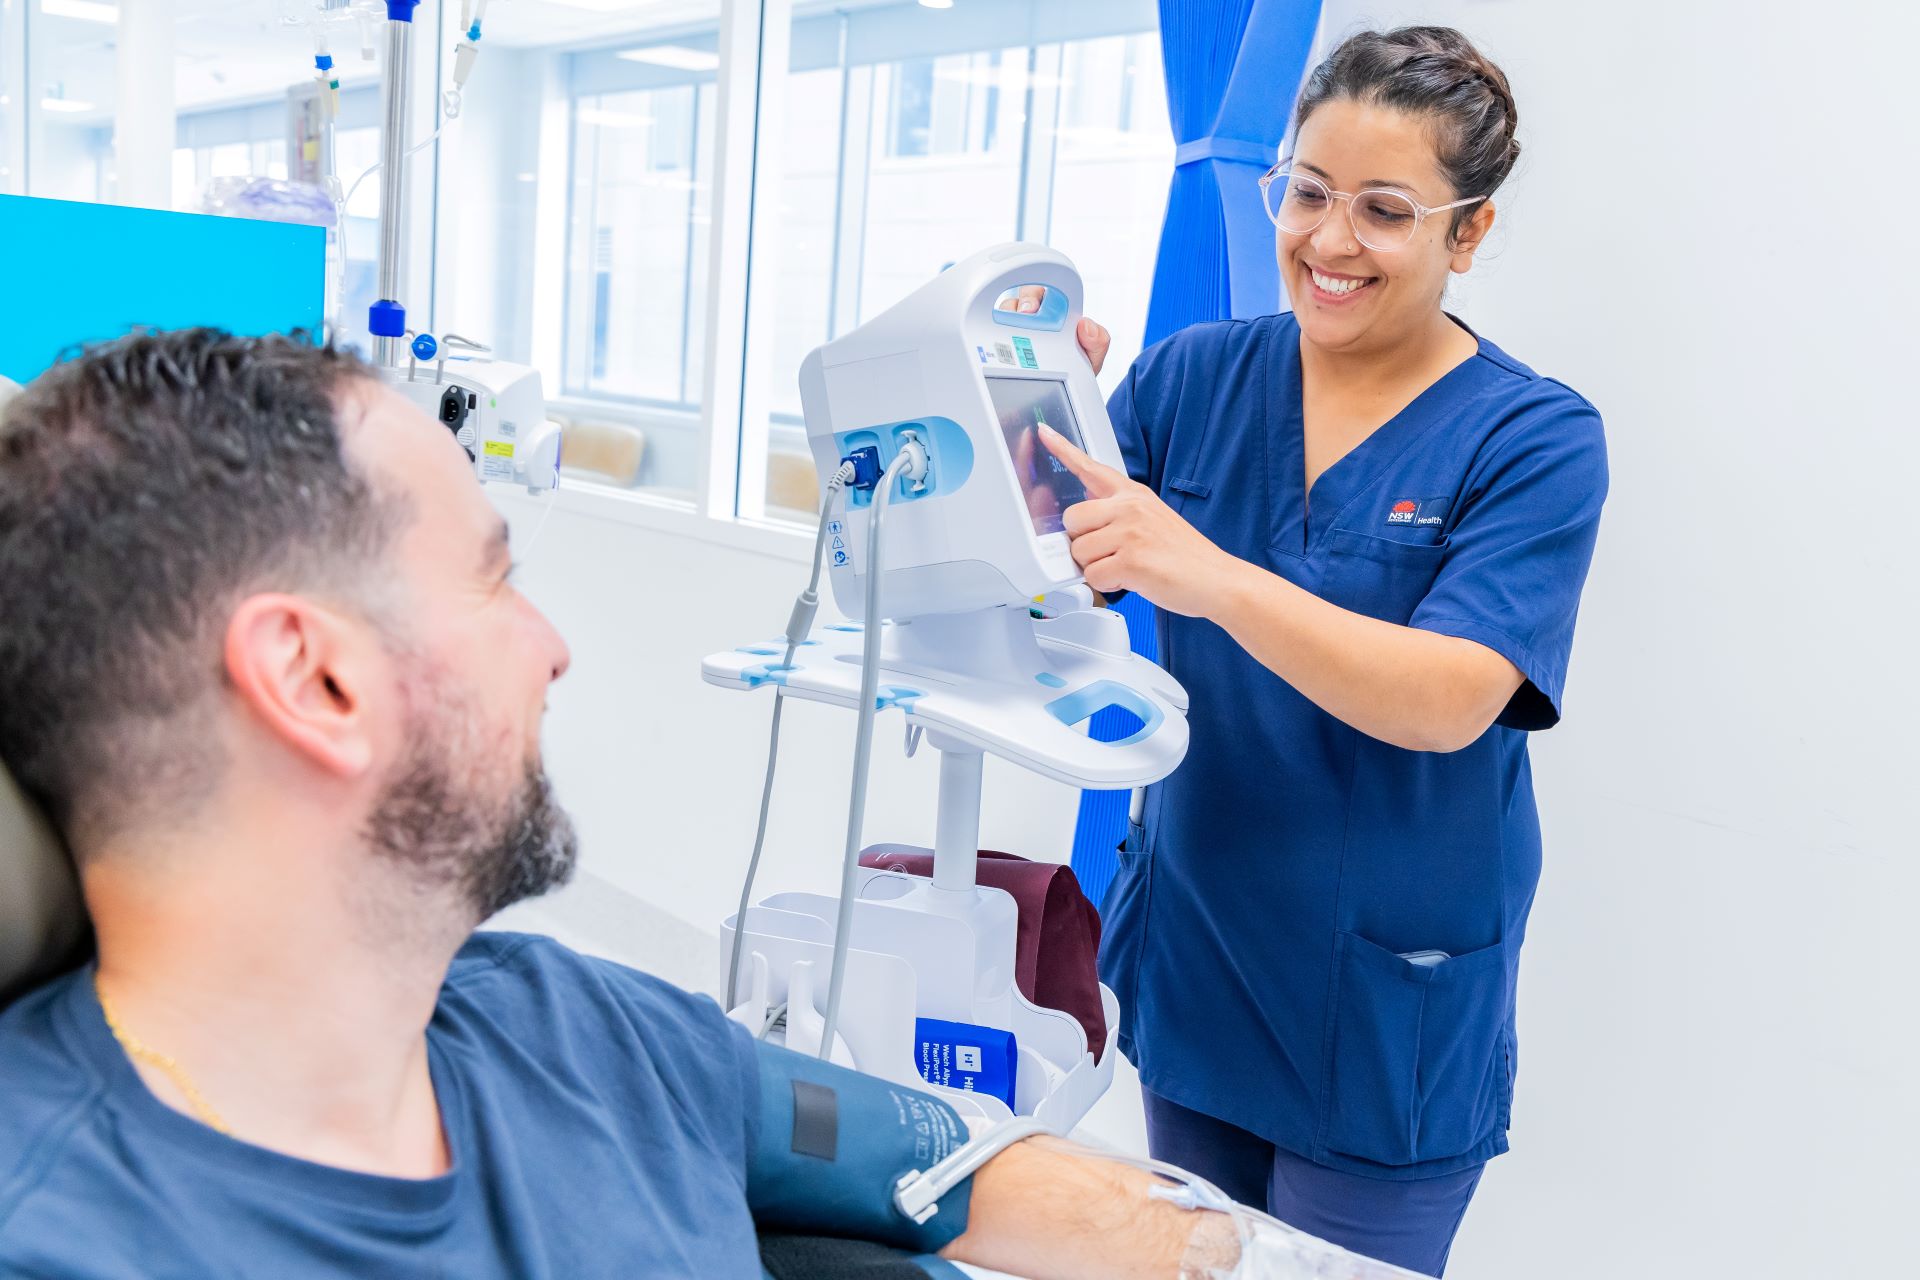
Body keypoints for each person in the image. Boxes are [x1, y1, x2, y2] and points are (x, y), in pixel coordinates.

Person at [0, 329, 1237, 1279]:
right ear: (316, 679)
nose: (552, 647)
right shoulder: (68, 1231)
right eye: (495, 580)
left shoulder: (586, 1028)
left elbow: (969, 1167)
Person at [1040, 26, 1609, 1277]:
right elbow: (1050, 552)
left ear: (1469, 233)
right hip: (1201, 943)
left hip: (1384, 996)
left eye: (1385, 210)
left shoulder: (1534, 439)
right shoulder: (1195, 376)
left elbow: (1450, 698)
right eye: (1306, 192)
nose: (1328, 241)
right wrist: (1029, 404)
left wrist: (1210, 574)